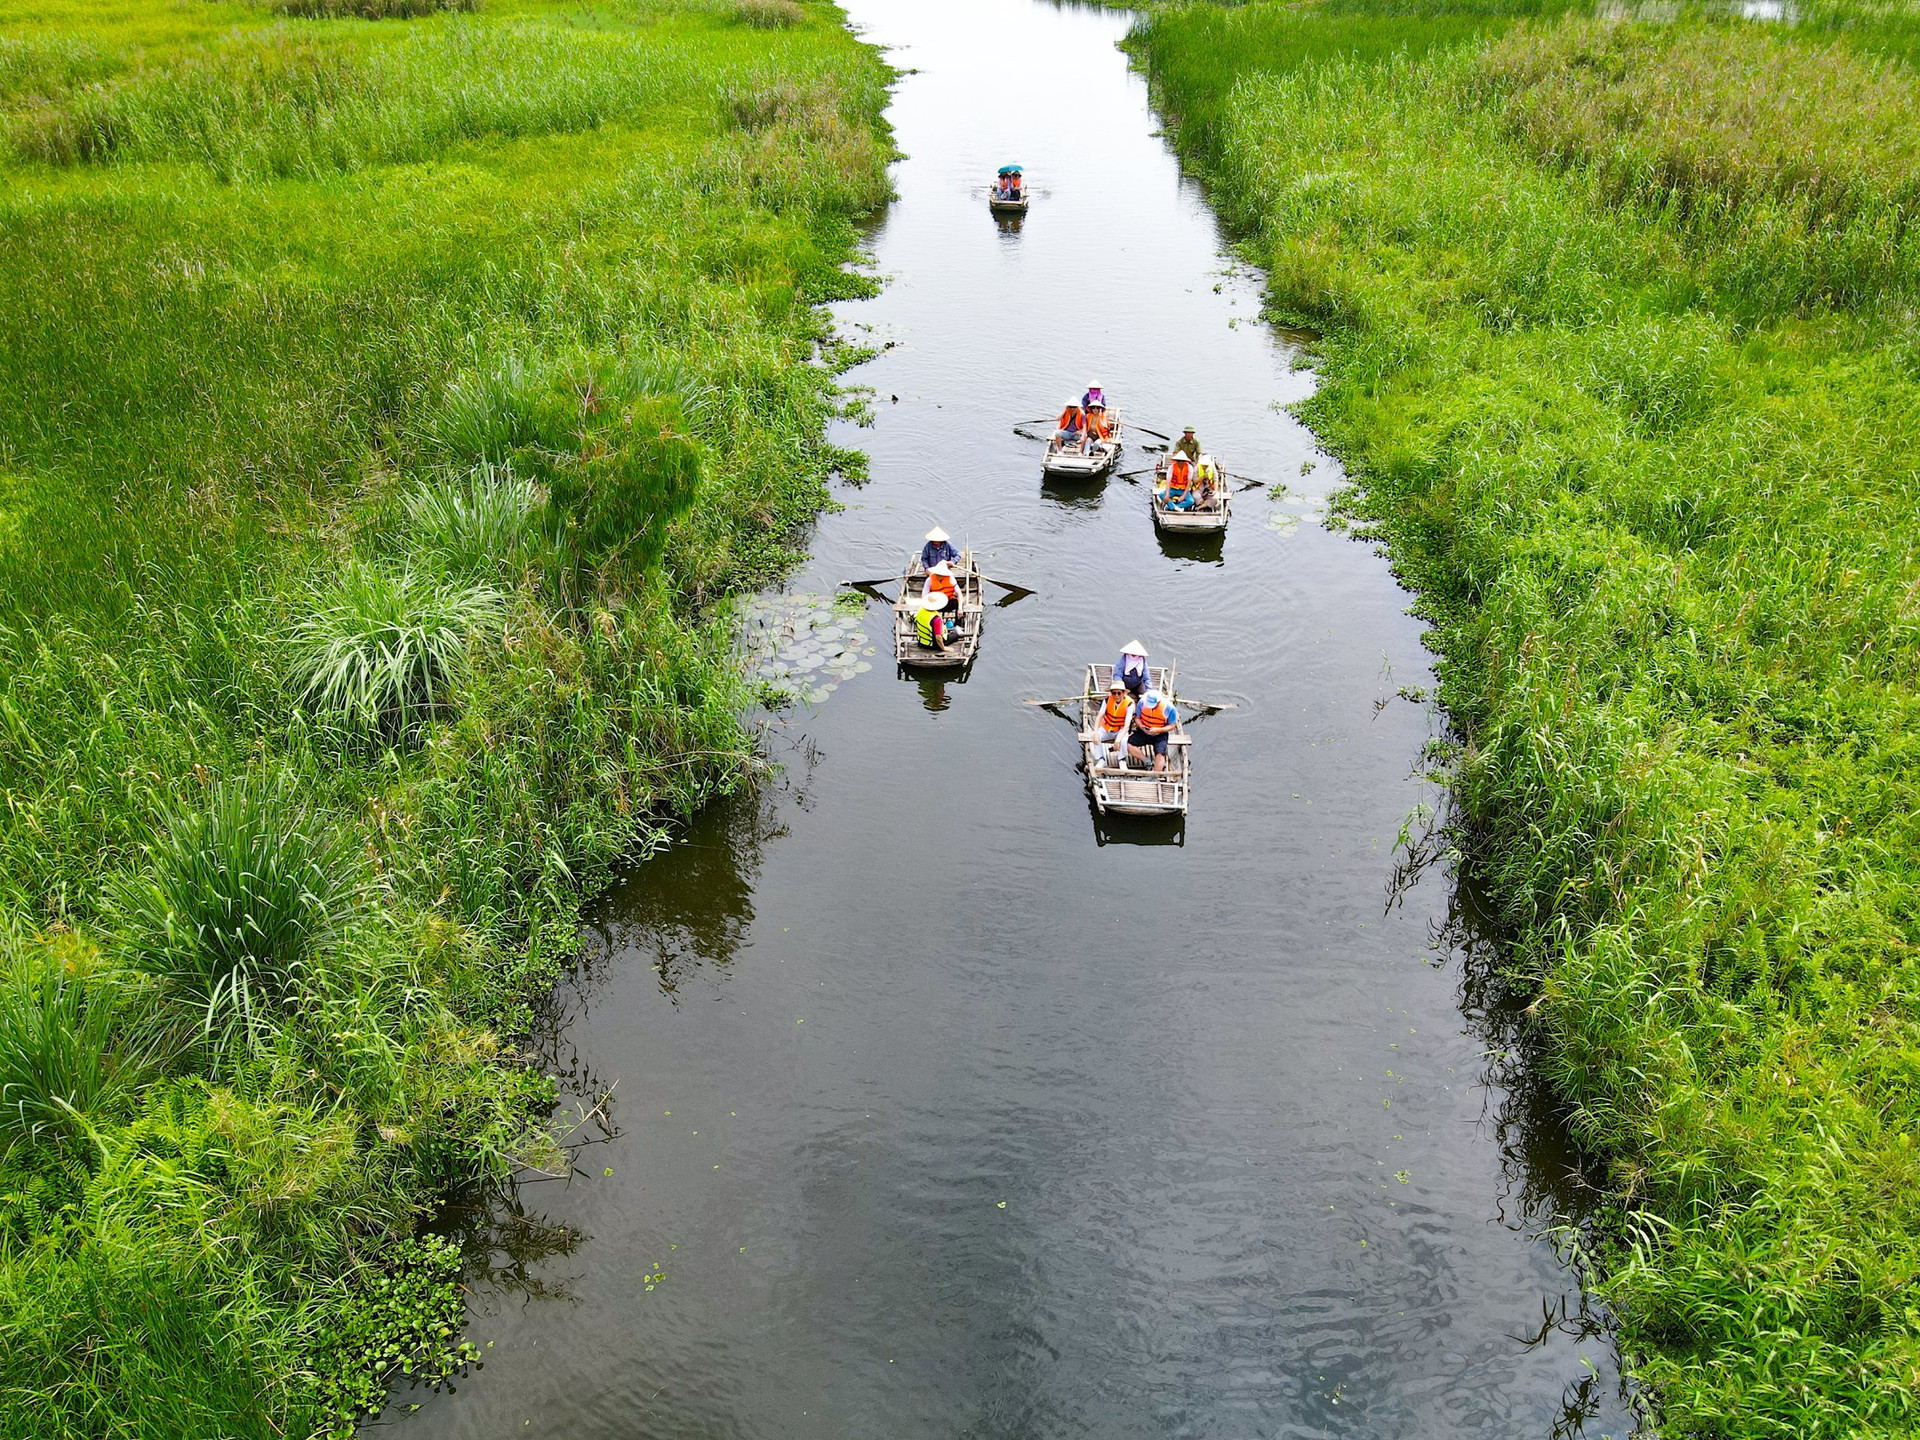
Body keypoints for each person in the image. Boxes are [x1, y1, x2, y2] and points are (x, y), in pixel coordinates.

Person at [1128, 686, 1178, 775]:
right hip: (1144, 731)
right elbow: (1137, 718)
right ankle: (1147, 761)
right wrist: (1141, 726)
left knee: (1160, 754)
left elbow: (1172, 725)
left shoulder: (1169, 708)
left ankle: (1155, 774)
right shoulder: (1142, 703)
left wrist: (1159, 730)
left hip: (1160, 733)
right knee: (1128, 745)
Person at [1092, 678, 1133, 769]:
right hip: (1106, 728)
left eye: (1119, 693)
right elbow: (1099, 716)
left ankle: (1121, 759)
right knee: (1096, 737)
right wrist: (1095, 732)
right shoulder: (1107, 701)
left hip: (1120, 729)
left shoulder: (1129, 704)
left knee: (1123, 740)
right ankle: (1101, 759)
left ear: (1123, 693)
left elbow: (1127, 725)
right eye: (1114, 693)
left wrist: (1117, 740)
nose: (1116, 695)